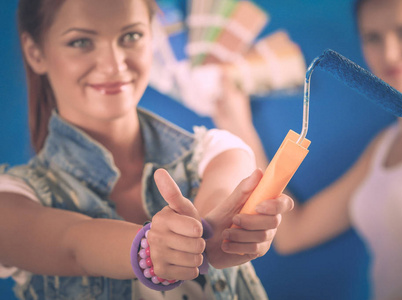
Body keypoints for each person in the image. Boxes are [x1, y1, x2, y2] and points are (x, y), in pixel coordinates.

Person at [0, 0, 295, 299]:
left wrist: (213, 235)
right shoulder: (11, 204)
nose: (114, 64)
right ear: (35, 53)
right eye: (81, 42)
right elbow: (72, 244)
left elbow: (218, 205)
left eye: (131, 36)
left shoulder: (219, 152)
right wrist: (150, 250)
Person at [212, 0, 402, 299]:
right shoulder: (385, 147)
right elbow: (292, 234)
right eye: (373, 37)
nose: (389, 53)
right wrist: (238, 125)